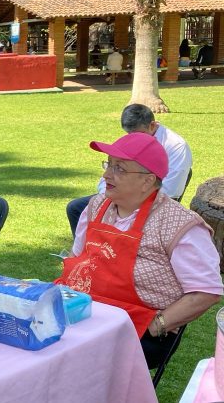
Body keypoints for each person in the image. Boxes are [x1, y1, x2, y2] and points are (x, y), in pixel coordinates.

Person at [56, 132, 221, 369]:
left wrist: (158, 325)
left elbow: (206, 291)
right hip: (83, 312)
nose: (106, 174)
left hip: (137, 328)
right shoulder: (96, 206)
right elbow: (77, 258)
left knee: (68, 359)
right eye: (108, 164)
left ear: (147, 180)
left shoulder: (179, 224)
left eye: (119, 168)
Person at [66, 104, 192, 236]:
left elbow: (171, 190)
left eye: (140, 133)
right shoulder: (131, 141)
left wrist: (129, 199)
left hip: (149, 202)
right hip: (122, 196)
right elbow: (110, 174)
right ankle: (89, 250)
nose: (134, 138)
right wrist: (107, 197)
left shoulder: (176, 146)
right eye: (130, 134)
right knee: (76, 208)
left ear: (153, 125)